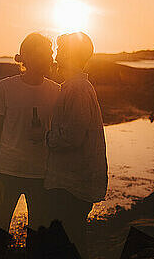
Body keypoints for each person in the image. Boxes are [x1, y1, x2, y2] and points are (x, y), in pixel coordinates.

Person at [0, 33, 60, 253]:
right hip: (8, 173)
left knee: (38, 239)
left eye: (51, 54)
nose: (51, 58)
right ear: (28, 57)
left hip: (42, 177)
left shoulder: (56, 91)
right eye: (46, 54)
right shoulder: (5, 87)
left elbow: (60, 136)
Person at [44, 32, 108, 258]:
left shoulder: (77, 88)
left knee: (70, 243)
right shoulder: (74, 85)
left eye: (61, 51)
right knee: (71, 240)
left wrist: (46, 137)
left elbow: (72, 137)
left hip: (73, 183)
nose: (56, 55)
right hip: (74, 181)